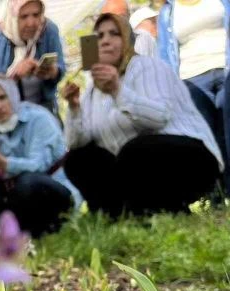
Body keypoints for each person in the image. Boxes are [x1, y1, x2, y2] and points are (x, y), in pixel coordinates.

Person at [63, 13, 223, 216]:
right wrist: (74, 107)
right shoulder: (92, 89)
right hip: (135, 167)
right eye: (100, 35)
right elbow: (76, 143)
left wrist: (117, 91)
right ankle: (120, 214)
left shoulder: (148, 66)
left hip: (190, 160)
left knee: (135, 151)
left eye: (114, 34)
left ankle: (167, 207)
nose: (105, 40)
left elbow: (158, 118)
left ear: (128, 40)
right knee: (79, 159)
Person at [0, 75, 75, 238]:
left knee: (27, 182)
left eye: (2, 97)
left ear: (13, 96)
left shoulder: (38, 118)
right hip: (20, 195)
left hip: (53, 190)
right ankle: (10, 238)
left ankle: (49, 228)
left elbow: (38, 166)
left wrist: (4, 163)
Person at [158, 0, 230, 192]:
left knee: (227, 127)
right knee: (206, 134)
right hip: (191, 78)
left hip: (225, 68)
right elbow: (164, 54)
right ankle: (215, 192)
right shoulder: (167, 12)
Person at [0, 0, 66, 115]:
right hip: (10, 114)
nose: (31, 23)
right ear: (13, 17)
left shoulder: (48, 30)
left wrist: (52, 72)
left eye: (36, 15)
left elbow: (61, 67)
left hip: (45, 110)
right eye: (24, 17)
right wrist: (14, 75)